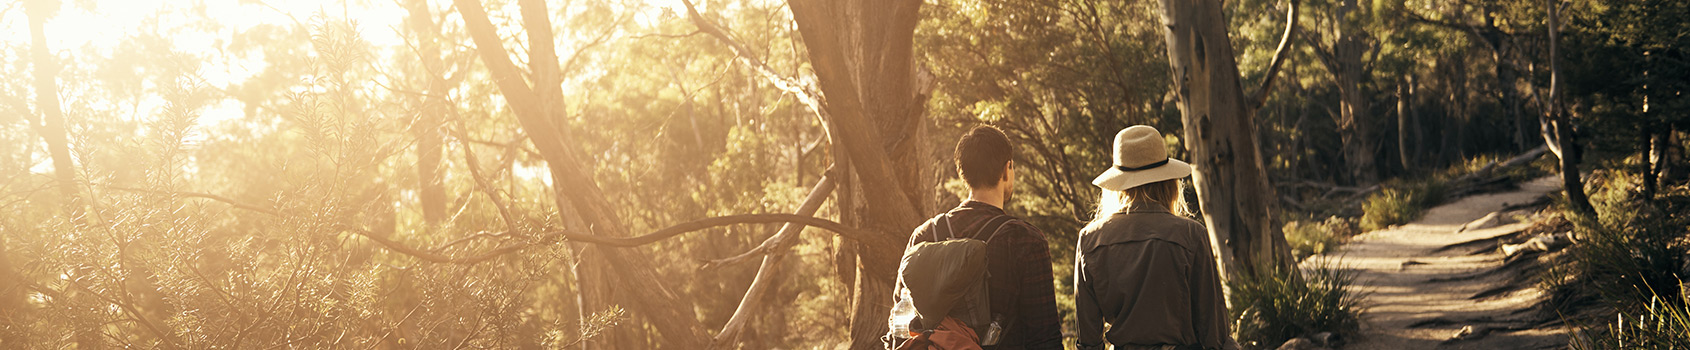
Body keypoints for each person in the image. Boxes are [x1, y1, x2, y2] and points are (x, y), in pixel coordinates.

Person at [893, 125, 1063, 350]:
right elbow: (1044, 337)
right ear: (1007, 169)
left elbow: (899, 325)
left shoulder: (924, 235)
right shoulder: (1025, 240)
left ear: (962, 172)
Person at [1074, 125, 1237, 350]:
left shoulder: (1090, 240)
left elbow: (1089, 342)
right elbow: (1214, 333)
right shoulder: (1191, 235)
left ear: (1119, 185)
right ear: (1169, 181)